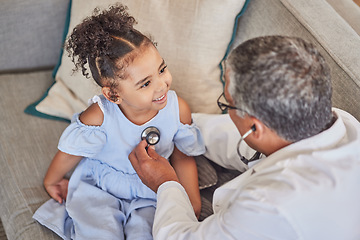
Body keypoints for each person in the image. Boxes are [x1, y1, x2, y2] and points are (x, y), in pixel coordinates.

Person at [129, 35, 360, 239]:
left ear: (255, 128)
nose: (226, 109)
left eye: (226, 102)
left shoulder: (270, 204)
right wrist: (175, 124)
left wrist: (165, 183)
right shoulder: (338, 123)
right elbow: (226, 135)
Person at [33, 4, 205, 240]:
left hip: (151, 188)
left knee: (148, 233)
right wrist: (51, 180)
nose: (162, 85)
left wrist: (192, 201)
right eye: (145, 83)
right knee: (99, 233)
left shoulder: (178, 109)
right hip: (101, 186)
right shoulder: (99, 115)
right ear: (114, 95)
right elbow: (70, 152)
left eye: (162, 69)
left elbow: (183, 155)